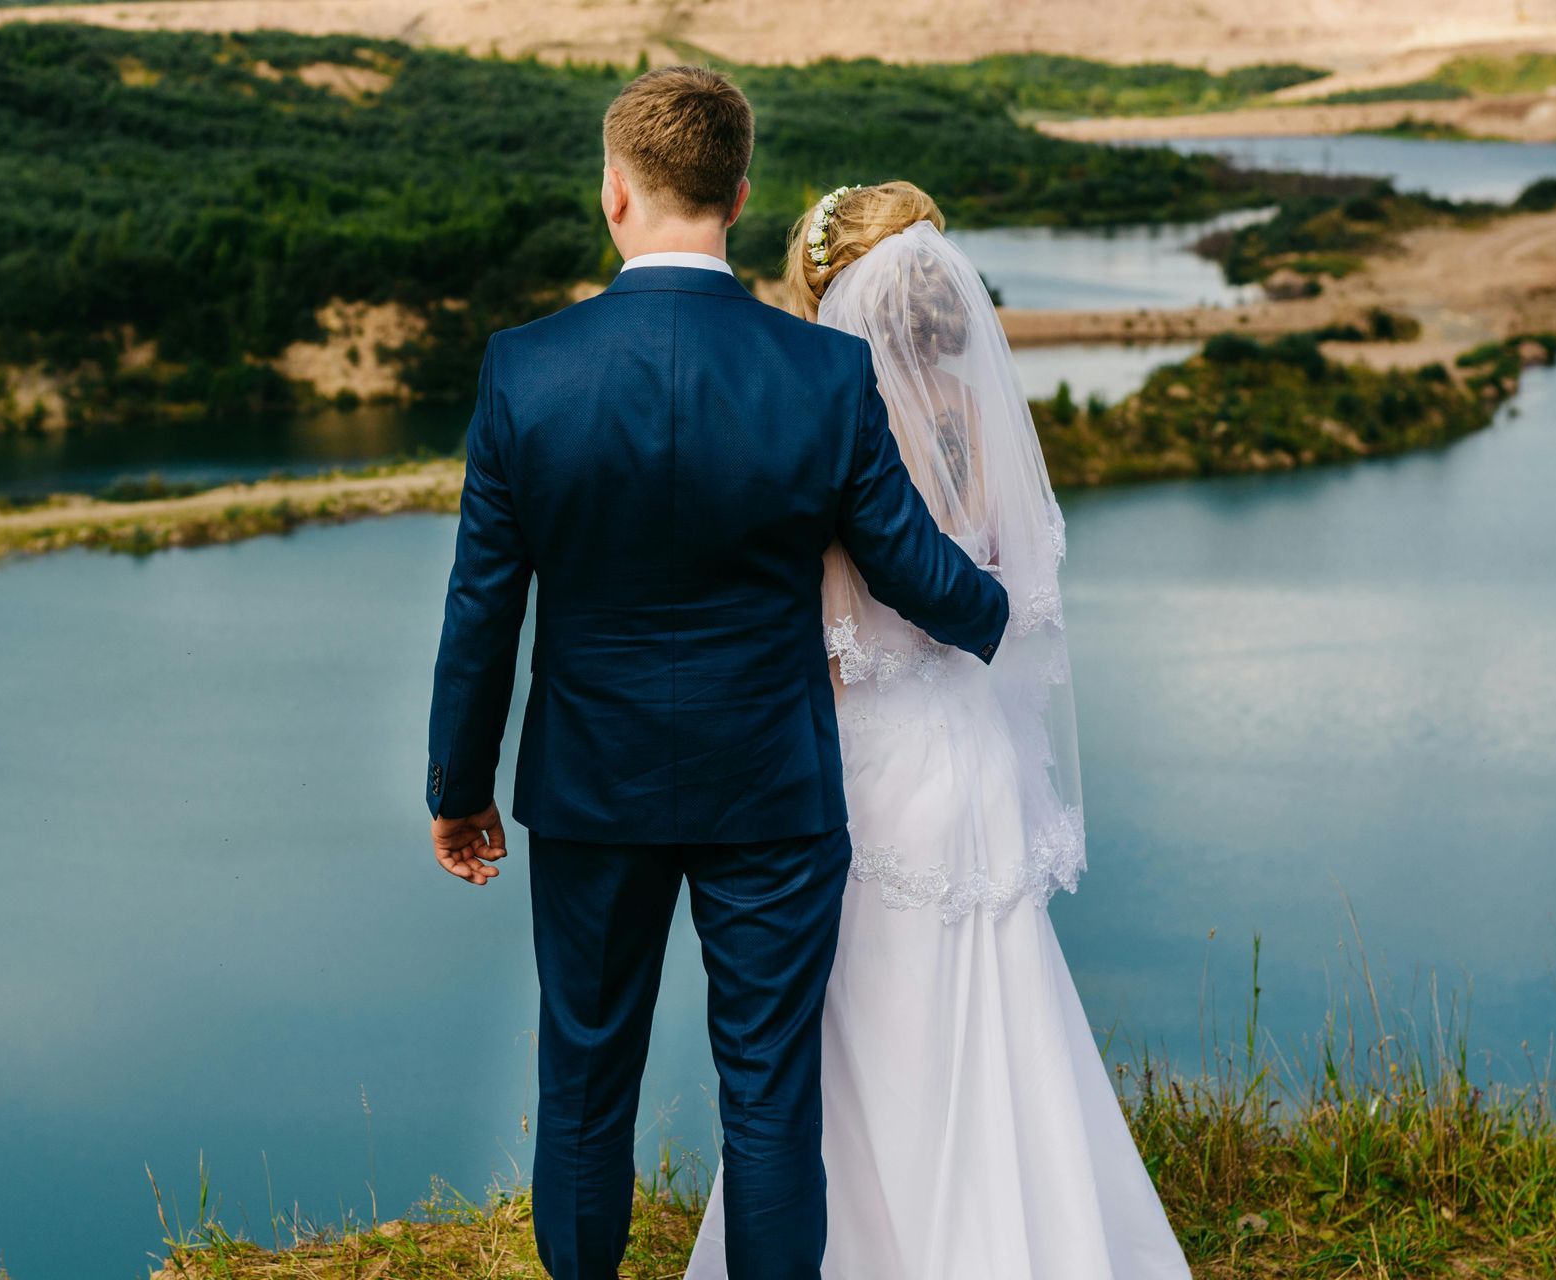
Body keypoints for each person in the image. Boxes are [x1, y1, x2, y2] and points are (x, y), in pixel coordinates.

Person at [423, 73, 1007, 1280]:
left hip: (590, 788)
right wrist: (1017, 613)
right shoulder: (818, 375)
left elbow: (485, 603)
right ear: (738, 196)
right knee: (770, 1099)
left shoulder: (525, 371)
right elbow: (907, 563)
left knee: (585, 1084)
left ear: (615, 192)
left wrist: (458, 784)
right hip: (774, 793)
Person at [683, 182, 1192, 1279]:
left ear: (832, 293)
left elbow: (815, 632)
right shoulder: (978, 418)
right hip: (977, 752)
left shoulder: (825, 428)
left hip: (872, 766)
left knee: (868, 1028)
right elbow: (1019, 599)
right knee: (1007, 1014)